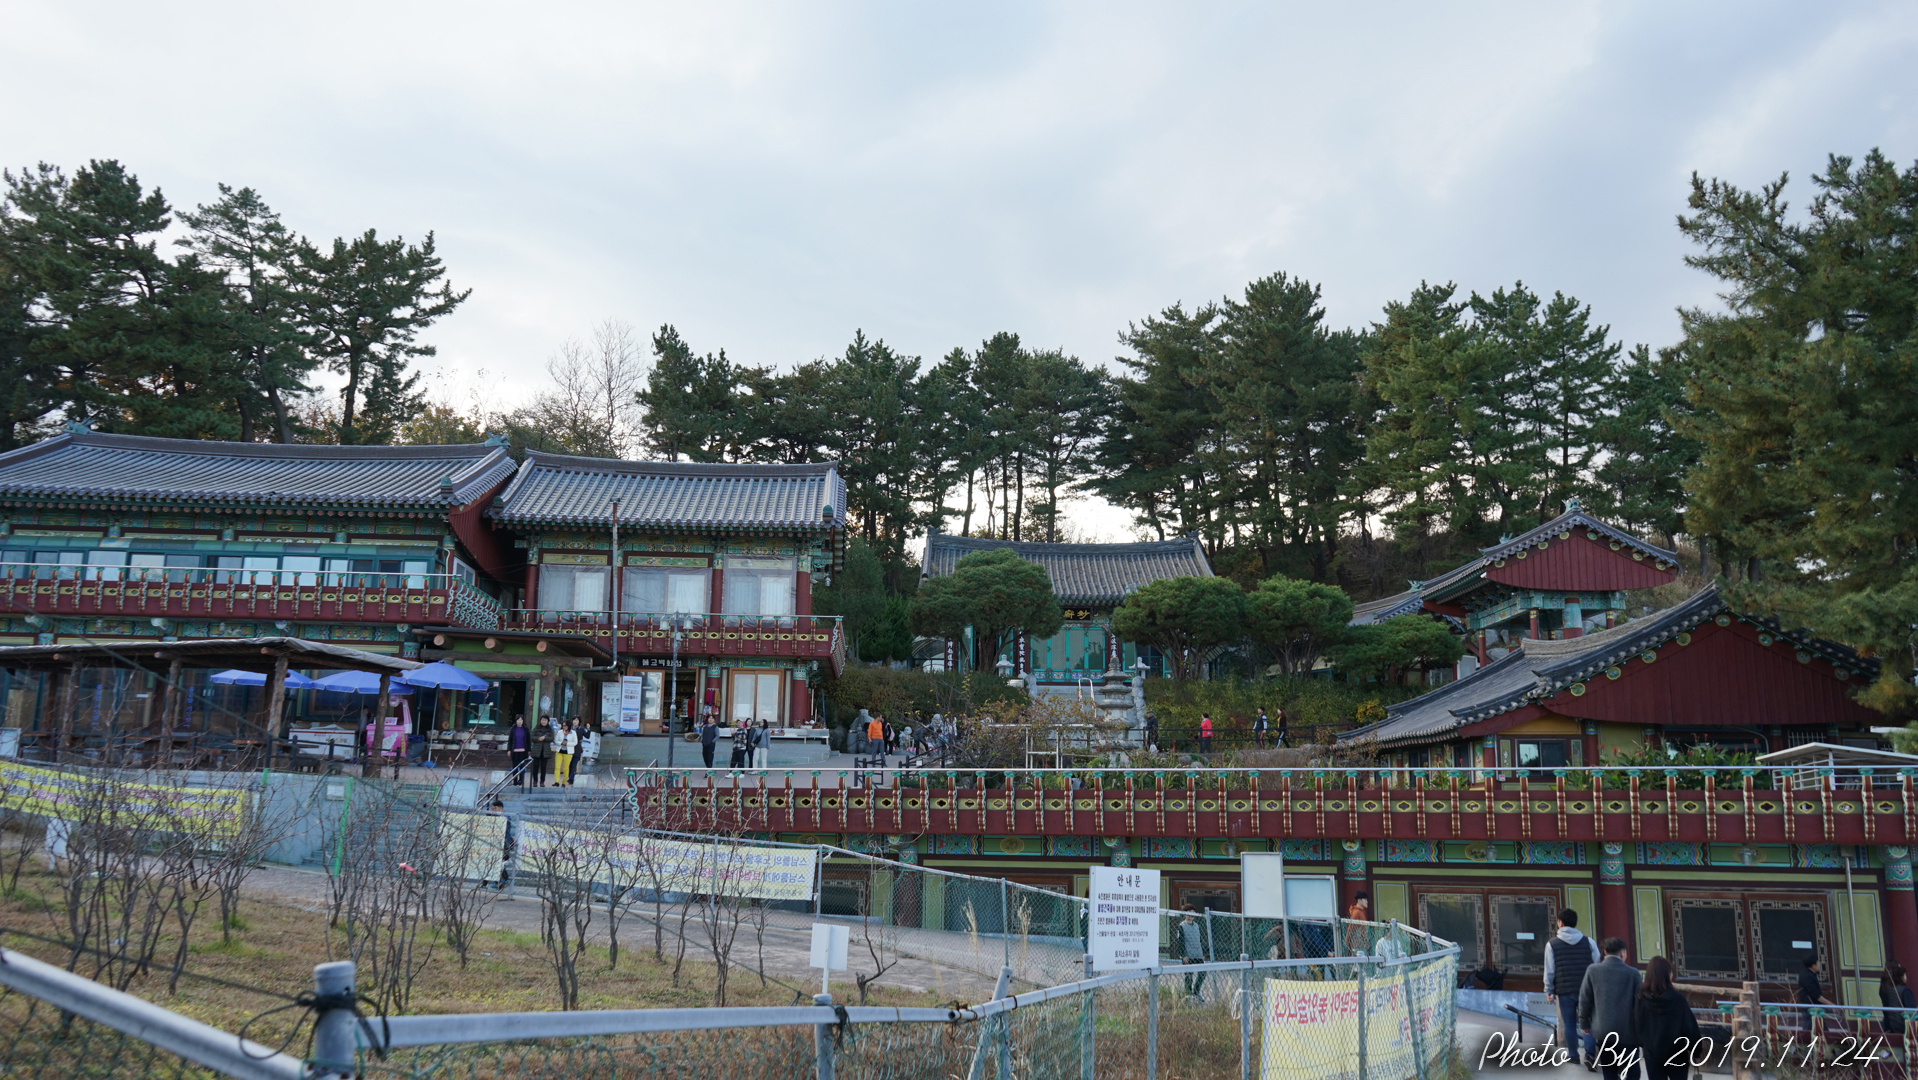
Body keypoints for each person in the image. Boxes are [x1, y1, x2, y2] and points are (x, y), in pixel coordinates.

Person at [1577, 937, 1641, 1080]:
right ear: (1623, 953)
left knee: (1609, 1071)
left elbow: (1585, 999)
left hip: (1603, 1030)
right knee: (1632, 1071)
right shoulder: (1633, 973)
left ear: (1605, 952)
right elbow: (1639, 1004)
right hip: (1628, 1032)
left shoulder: (1593, 970)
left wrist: (1584, 1022)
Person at [1544, 908, 1601, 1066]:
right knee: (1587, 1022)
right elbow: (1596, 964)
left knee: (1569, 1024)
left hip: (1564, 990)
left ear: (1560, 923)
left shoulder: (1552, 944)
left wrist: (1549, 990)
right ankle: (1590, 1055)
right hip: (1586, 990)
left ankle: (1573, 1055)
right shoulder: (1589, 942)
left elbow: (1550, 970)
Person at [1633, 956, 1700, 1080]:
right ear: (1667, 975)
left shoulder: (1641, 1000)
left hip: (1652, 1054)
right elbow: (1689, 1027)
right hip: (1678, 1054)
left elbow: (1638, 1025)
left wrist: (1645, 1044)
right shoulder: (1678, 1000)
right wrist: (1696, 1052)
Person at [1881, 962, 1914, 1051]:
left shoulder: (1887, 988)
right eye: (1905, 975)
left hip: (1890, 1025)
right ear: (1901, 977)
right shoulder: (1905, 991)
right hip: (1903, 1026)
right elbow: (1911, 1010)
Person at [487, 797, 516, 890]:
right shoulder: (494, 816)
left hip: (504, 843)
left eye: (495, 808)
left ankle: (499, 881)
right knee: (498, 862)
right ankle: (504, 879)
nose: (493, 810)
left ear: (501, 808)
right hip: (495, 842)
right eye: (492, 809)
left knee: (499, 862)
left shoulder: (505, 817)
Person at [1179, 909, 1207, 997]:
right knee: (1189, 976)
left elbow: (1200, 940)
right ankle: (1188, 994)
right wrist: (1183, 955)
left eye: (1193, 913)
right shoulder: (1182, 926)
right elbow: (1180, 942)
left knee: (1203, 972)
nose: (1192, 915)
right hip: (1188, 955)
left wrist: (1202, 954)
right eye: (1189, 913)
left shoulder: (1197, 926)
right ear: (1185, 914)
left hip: (1198, 954)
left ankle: (1196, 991)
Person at [529, 716, 553, 788]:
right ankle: (535, 781)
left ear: (547, 721)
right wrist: (538, 739)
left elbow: (552, 738)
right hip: (536, 750)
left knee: (543, 767)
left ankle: (542, 781)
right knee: (535, 767)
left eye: (545, 720)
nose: (544, 721)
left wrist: (545, 738)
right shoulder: (536, 728)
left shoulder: (550, 729)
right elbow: (532, 737)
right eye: (542, 720)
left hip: (545, 751)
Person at [507, 715, 530, 788]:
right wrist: (509, 750)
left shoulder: (526, 729)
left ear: (523, 721)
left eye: (521, 720)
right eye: (518, 720)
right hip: (514, 751)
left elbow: (528, 741)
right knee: (515, 767)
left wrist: (529, 750)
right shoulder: (513, 729)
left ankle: (521, 781)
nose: (520, 722)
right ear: (516, 721)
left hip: (523, 751)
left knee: (522, 766)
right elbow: (510, 740)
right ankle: (515, 781)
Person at [552, 720, 575, 787]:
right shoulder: (560, 732)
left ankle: (564, 782)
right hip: (560, 751)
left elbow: (575, 742)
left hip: (568, 752)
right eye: (563, 725)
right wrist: (561, 743)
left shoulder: (573, 733)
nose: (564, 727)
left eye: (565, 726)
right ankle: (556, 781)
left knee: (566, 768)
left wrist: (567, 743)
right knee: (557, 766)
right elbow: (556, 740)